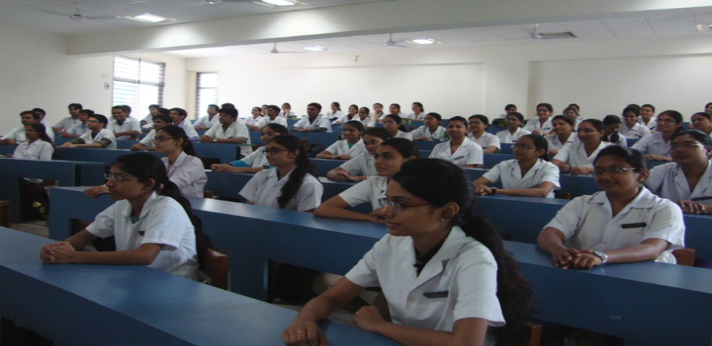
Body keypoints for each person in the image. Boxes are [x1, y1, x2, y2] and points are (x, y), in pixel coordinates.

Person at [283, 158, 533, 346]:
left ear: (446, 211)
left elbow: (466, 343)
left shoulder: (473, 259)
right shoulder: (392, 244)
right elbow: (331, 298)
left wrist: (381, 326)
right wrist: (303, 320)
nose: (386, 212)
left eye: (401, 205)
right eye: (388, 201)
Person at [40, 153, 210, 280]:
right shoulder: (123, 204)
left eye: (120, 178)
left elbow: (145, 256)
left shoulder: (167, 208)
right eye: (110, 176)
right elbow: (84, 236)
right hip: (135, 276)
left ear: (147, 184)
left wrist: (74, 256)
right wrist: (57, 250)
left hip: (171, 283)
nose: (110, 183)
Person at [537, 146, 685, 269]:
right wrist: (560, 251)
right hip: (585, 271)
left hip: (644, 277)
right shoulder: (582, 203)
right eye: (599, 171)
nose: (606, 176)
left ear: (641, 175)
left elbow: (653, 248)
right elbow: (549, 233)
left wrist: (601, 257)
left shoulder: (664, 208)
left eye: (617, 170)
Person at [314, 138, 419, 221]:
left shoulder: (427, 186)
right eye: (376, 157)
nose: (378, 162)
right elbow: (323, 209)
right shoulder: (374, 182)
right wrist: (370, 217)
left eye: (387, 157)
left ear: (409, 161)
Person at [239, 135, 323, 212]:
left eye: (274, 151)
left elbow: (305, 219)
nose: (268, 155)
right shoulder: (261, 175)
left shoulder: (309, 184)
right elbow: (249, 208)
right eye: (267, 151)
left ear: (294, 153)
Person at [645, 130, 712, 214]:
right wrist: (669, 206)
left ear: (708, 150)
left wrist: (702, 209)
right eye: (674, 146)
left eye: (689, 145)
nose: (679, 149)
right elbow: (635, 195)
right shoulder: (663, 170)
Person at [473, 135, 559, 198]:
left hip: (540, 207)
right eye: (516, 145)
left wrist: (495, 191)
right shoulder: (504, 165)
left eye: (524, 147)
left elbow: (542, 192)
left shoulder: (550, 168)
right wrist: (479, 189)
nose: (517, 149)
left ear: (539, 152)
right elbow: (475, 184)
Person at [7, 123, 55, 219]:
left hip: (33, 177)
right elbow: (16, 158)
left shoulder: (45, 145)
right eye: (26, 130)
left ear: (39, 132)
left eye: (31, 131)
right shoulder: (22, 144)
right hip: (18, 174)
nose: (27, 133)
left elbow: (45, 164)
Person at [211, 124, 288, 174]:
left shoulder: (286, 151)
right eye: (262, 134)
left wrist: (236, 170)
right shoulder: (261, 149)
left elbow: (271, 169)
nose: (265, 137)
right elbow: (243, 162)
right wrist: (223, 166)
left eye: (270, 134)